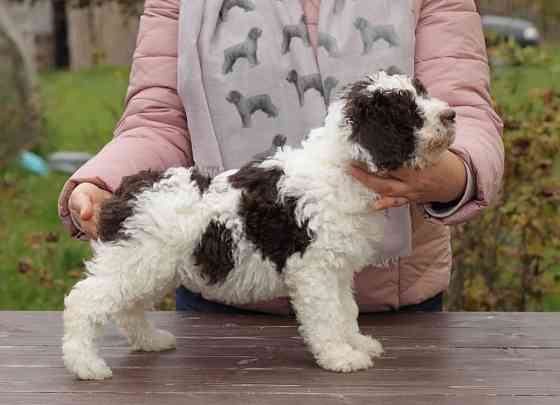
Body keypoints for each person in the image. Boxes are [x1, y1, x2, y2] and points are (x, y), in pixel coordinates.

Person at [58, 0, 503, 314]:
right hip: (220, 285)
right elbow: (158, 120)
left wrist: (451, 176)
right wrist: (103, 182)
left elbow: (462, 110)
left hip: (394, 308)